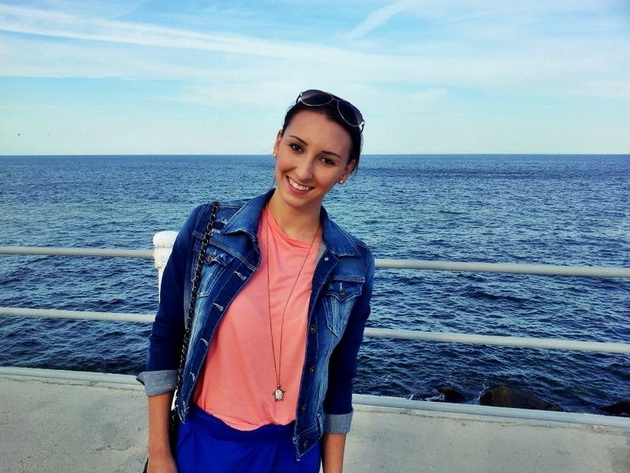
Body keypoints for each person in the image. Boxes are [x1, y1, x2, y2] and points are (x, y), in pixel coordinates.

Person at [138, 89, 375, 473]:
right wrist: (160, 454)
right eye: (296, 147)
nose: (304, 171)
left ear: (346, 171)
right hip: (206, 444)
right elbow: (166, 337)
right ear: (277, 143)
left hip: (293, 453)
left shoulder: (353, 263)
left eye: (326, 160)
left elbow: (339, 378)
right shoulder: (209, 229)